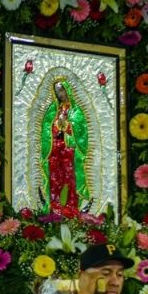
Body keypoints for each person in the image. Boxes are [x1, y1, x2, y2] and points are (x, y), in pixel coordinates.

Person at [40, 79, 90, 218]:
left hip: (69, 152)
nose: (60, 94)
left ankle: (71, 208)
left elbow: (81, 134)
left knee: (69, 179)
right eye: (57, 92)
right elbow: (46, 129)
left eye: (61, 90)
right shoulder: (53, 109)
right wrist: (56, 125)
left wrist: (67, 126)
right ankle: (55, 208)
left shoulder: (76, 111)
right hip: (54, 150)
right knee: (55, 179)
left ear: (67, 90)